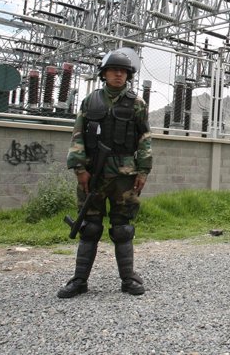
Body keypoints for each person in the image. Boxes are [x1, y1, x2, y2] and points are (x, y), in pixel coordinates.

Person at [58, 49, 152, 298]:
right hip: (93, 175)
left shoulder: (137, 103)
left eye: (123, 71)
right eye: (113, 70)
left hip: (124, 176)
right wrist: (79, 168)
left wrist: (143, 170)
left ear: (128, 75)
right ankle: (79, 281)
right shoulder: (91, 101)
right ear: (104, 74)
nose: (118, 74)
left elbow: (144, 139)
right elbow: (77, 135)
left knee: (122, 228)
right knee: (89, 227)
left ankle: (128, 280)